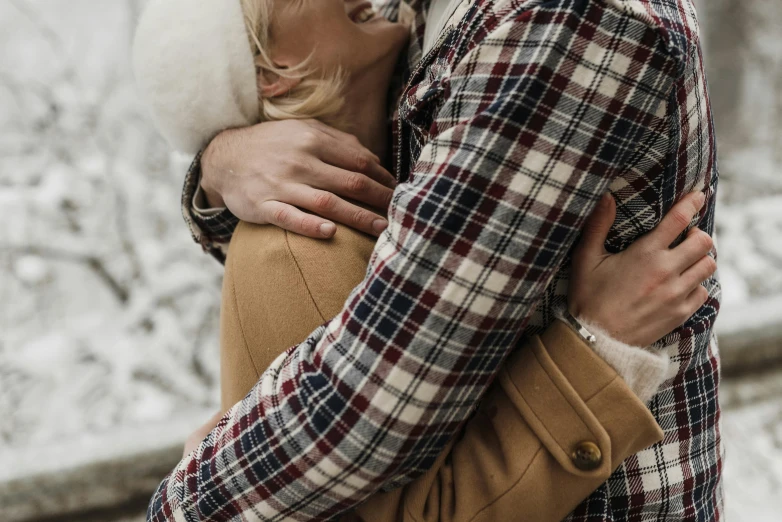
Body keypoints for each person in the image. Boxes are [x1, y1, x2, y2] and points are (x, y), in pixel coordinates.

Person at [134, 0, 721, 520]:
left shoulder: (560, 21)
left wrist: (188, 505)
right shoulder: (293, 243)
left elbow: (367, 411)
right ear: (271, 71)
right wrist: (221, 163)